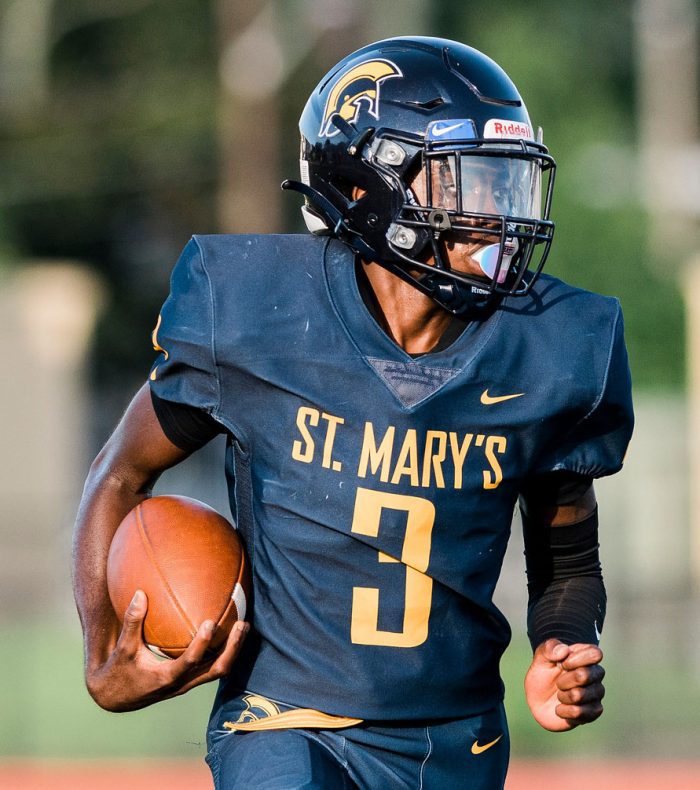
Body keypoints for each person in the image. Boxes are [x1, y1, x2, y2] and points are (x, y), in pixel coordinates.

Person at [73, 36, 634, 789]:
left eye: (508, 185)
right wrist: (103, 657)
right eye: (468, 183)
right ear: (371, 185)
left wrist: (561, 644)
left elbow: (566, 554)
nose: (499, 216)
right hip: (282, 722)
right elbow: (120, 474)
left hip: (454, 738)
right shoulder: (257, 315)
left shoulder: (550, 345)